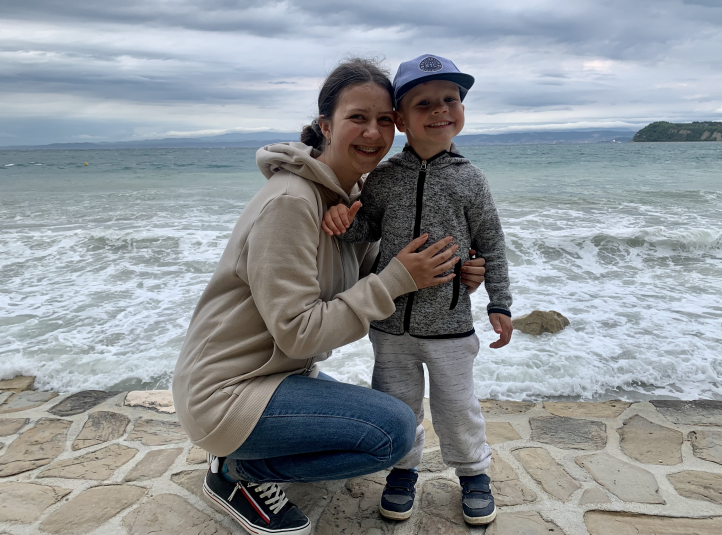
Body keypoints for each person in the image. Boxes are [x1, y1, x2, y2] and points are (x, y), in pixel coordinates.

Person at [171, 57, 487, 535]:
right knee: (392, 431)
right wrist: (399, 278)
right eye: (357, 117)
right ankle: (238, 472)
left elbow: (379, 269)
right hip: (225, 393)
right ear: (326, 125)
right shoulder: (291, 202)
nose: (373, 133)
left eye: (384, 120)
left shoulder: (349, 196)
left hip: (276, 375)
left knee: (372, 417)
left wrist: (454, 271)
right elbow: (301, 333)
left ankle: (243, 451)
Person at [321, 54, 513, 526]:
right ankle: (402, 472)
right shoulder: (384, 178)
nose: (440, 109)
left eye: (450, 99)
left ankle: (474, 474)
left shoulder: (471, 179)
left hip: (450, 325)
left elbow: (491, 242)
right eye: (424, 103)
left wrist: (500, 302)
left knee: (457, 408)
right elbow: (366, 228)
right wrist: (340, 218)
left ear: (462, 111)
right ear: (402, 120)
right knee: (398, 407)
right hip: (390, 325)